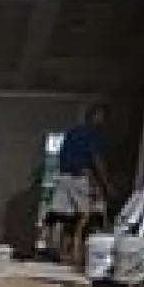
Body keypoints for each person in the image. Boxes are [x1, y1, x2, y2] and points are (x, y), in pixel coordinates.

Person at [47, 104, 111, 266]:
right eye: (103, 117)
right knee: (85, 217)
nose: (104, 121)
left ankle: (60, 252)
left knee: (64, 216)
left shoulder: (72, 132)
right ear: (97, 117)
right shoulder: (92, 133)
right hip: (79, 178)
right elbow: (96, 159)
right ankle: (76, 254)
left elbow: (62, 154)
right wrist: (106, 184)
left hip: (64, 177)